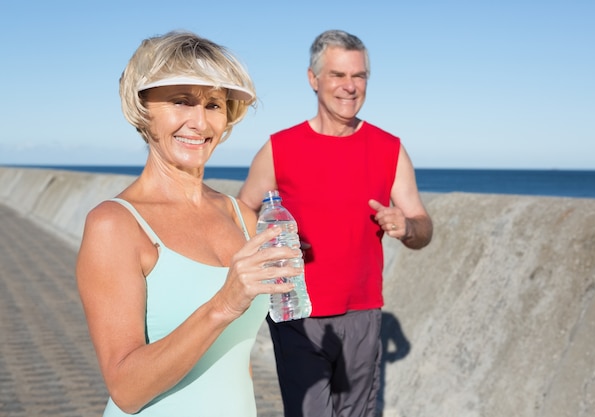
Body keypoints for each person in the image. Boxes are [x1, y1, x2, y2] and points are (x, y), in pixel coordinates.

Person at [75, 31, 301, 417]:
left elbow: (237, 356)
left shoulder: (243, 218)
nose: (199, 122)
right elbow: (126, 389)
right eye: (182, 101)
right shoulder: (115, 224)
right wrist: (223, 304)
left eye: (213, 104)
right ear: (144, 108)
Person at [238, 29, 434, 417]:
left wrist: (406, 226)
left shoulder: (389, 148)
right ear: (313, 79)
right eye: (337, 75)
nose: (349, 86)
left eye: (358, 76)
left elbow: (422, 224)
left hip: (362, 313)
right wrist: (269, 241)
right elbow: (243, 209)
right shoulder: (280, 147)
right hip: (297, 311)